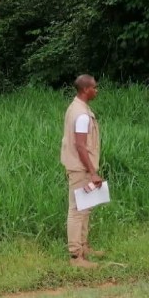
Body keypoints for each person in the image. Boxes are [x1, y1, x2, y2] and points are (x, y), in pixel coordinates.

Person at [60, 74, 104, 268]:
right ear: (86, 90)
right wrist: (92, 171)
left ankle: (84, 246)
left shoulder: (76, 106)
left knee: (86, 208)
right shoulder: (82, 115)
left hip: (80, 166)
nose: (96, 90)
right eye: (94, 87)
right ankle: (75, 256)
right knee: (77, 210)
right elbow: (80, 145)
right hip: (80, 168)